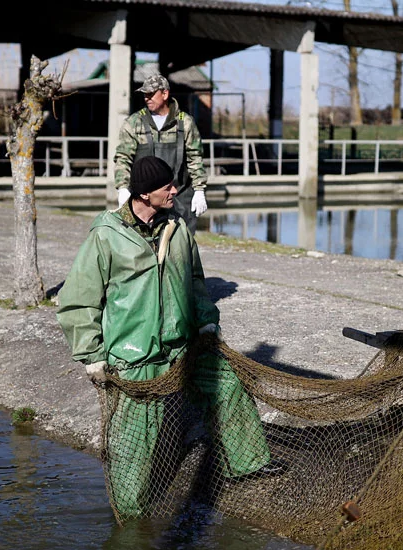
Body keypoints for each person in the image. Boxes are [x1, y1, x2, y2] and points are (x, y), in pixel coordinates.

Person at [57, 156, 279, 517]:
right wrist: (91, 354)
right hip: (135, 355)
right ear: (145, 194)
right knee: (135, 441)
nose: (175, 190)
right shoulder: (106, 236)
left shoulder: (177, 229)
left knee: (228, 384)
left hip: (183, 345)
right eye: (167, 186)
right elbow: (78, 301)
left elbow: (195, 280)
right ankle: (130, 515)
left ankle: (248, 465)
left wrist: (206, 321)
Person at [113, 74, 208, 232]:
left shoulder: (185, 122)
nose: (147, 98)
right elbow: (123, 158)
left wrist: (199, 189)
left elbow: (195, 157)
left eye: (151, 94)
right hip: (146, 200)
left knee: (181, 242)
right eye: (145, 94)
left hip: (179, 196)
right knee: (144, 241)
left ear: (165, 94)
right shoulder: (134, 123)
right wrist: (123, 188)